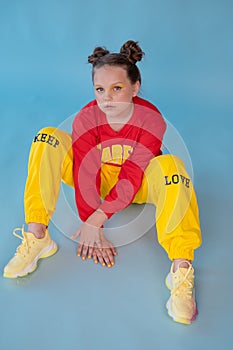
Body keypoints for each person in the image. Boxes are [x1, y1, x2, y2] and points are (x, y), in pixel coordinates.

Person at [3, 40, 202, 325]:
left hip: (140, 183)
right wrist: (89, 224)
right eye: (100, 90)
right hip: (98, 179)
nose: (107, 98)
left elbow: (133, 174)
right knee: (47, 137)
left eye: (117, 89)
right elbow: (85, 170)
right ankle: (38, 235)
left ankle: (181, 267)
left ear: (135, 87)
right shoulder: (87, 117)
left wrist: (96, 220)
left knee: (173, 167)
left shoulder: (152, 119)